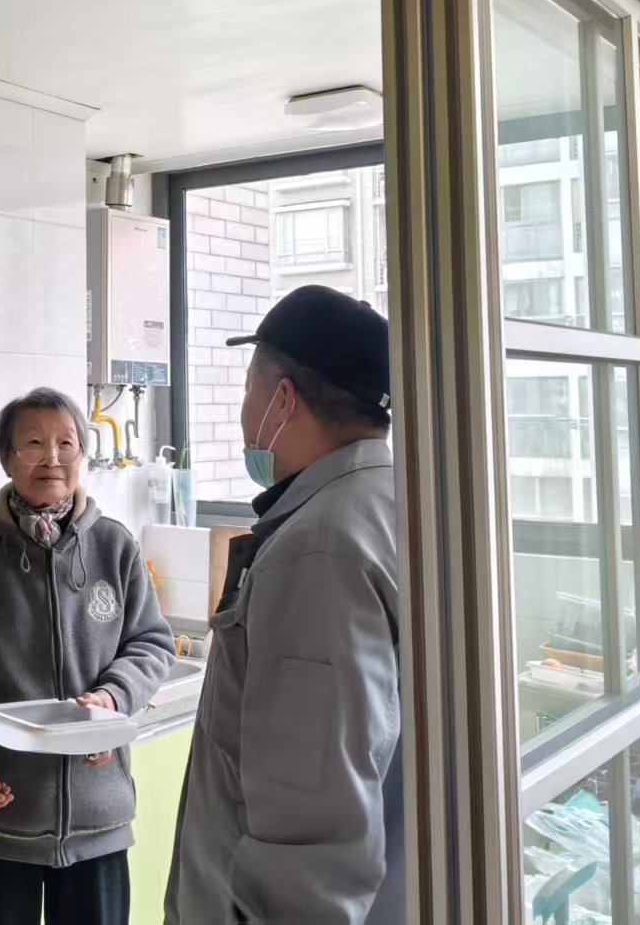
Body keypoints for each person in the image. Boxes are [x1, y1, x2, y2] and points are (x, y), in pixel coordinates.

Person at [166, 285, 403, 925]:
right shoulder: (389, 503)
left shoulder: (319, 550)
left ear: (283, 400)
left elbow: (313, 827)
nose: (245, 411)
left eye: (250, 389)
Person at [0, 388, 175, 925]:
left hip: (97, 818)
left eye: (66, 443)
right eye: (33, 444)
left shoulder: (114, 548)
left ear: (82, 455)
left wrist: (112, 700)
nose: (52, 457)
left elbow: (150, 642)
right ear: (8, 460)